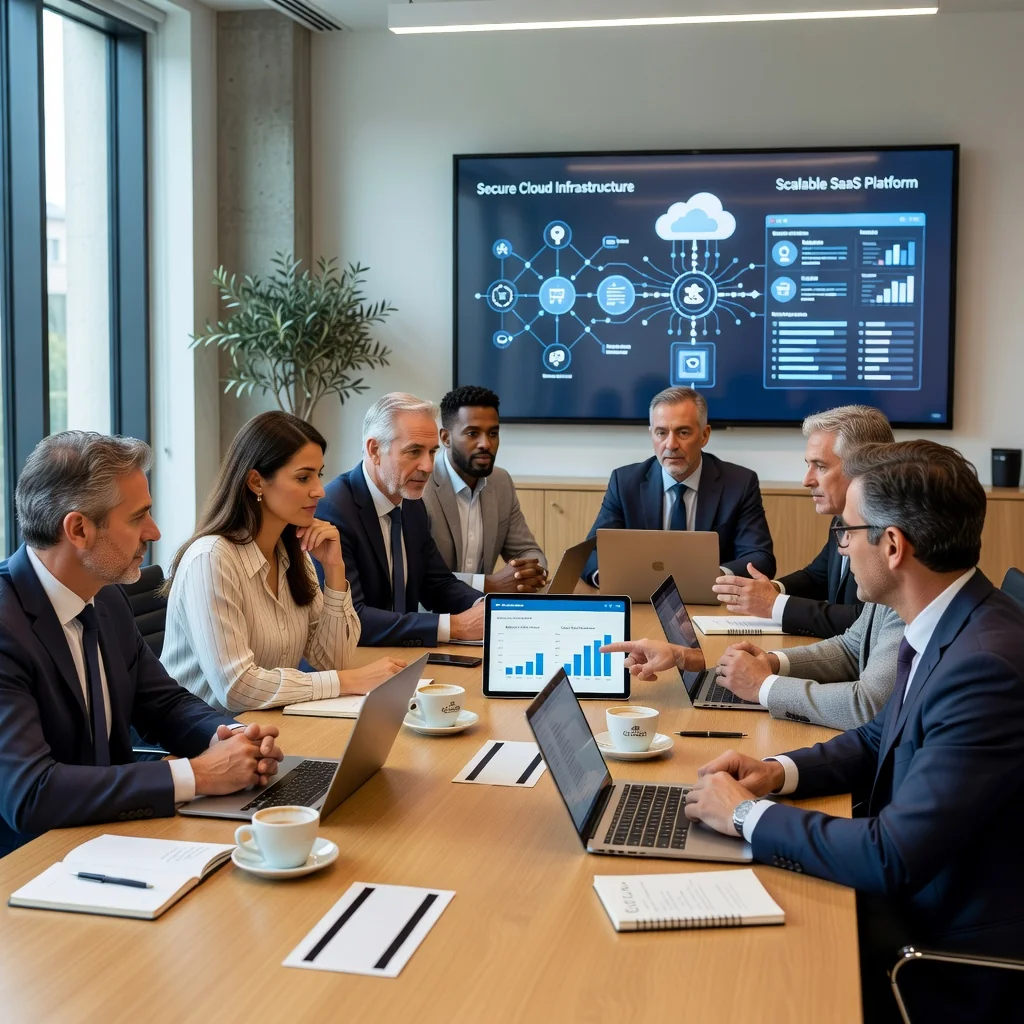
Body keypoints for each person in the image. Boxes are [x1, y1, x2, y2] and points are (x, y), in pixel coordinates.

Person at [682, 441, 1024, 1021]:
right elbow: (878, 736)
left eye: (848, 531)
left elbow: (891, 854)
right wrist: (777, 772)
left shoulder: (983, 665)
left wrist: (744, 815)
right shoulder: (953, 618)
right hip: (918, 887)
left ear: (892, 546)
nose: (841, 545)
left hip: (944, 944)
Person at [0, 432, 284, 858]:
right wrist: (197, 777)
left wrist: (230, 738)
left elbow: (164, 704)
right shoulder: (5, 625)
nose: (154, 531)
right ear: (78, 529)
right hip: (31, 863)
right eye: (138, 518)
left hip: (113, 838)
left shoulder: (106, 596)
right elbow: (32, 792)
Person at [162, 412, 404, 713]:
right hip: (205, 744)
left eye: (319, 474)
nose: (320, 490)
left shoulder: (292, 553)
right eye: (304, 477)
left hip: (267, 729)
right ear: (256, 482)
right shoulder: (211, 558)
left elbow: (332, 660)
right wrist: (347, 681)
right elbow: (236, 688)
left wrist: (334, 570)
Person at [711, 405, 894, 638]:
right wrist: (770, 590)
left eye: (820, 466)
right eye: (808, 465)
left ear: (864, 468)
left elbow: (866, 620)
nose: (806, 481)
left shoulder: (888, 529)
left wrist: (774, 605)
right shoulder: (844, 516)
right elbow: (817, 577)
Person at [317, 393, 483, 647]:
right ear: (374, 450)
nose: (428, 466)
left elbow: (437, 584)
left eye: (432, 452)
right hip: (353, 661)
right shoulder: (334, 509)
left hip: (403, 658)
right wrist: (457, 626)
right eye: (414, 451)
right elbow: (352, 617)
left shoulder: (411, 503)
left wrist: (490, 608)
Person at [582, 386, 775, 585]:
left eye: (683, 432)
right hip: (642, 597)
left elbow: (760, 557)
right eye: (661, 433)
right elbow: (589, 552)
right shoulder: (625, 482)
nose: (671, 444)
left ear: (704, 435)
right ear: (651, 435)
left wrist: (712, 575)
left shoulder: (739, 483)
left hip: (712, 599)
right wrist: (611, 577)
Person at [423, 385, 547, 594]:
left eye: (493, 433)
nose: (485, 444)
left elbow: (526, 550)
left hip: (484, 611)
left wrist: (530, 572)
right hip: (433, 616)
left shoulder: (501, 482)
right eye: (472, 433)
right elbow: (419, 574)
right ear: (445, 438)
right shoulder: (422, 485)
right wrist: (488, 584)